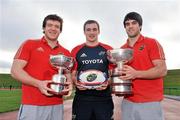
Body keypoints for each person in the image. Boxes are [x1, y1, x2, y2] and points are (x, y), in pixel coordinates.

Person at [11, 14, 72, 120]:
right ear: (44, 28)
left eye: (57, 26)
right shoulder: (29, 44)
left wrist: (69, 85)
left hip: (57, 105)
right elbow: (15, 71)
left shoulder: (66, 52)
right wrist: (38, 84)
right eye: (50, 25)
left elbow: (67, 74)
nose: (53, 28)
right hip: (32, 105)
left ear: (60, 30)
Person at [118, 12, 167, 120]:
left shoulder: (151, 43)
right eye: (127, 24)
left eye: (134, 23)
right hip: (128, 102)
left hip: (150, 102)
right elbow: (122, 74)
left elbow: (162, 70)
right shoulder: (122, 49)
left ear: (140, 26)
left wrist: (136, 74)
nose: (130, 26)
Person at [71, 20, 114, 120]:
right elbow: (72, 74)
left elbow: (113, 74)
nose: (91, 32)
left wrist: (108, 82)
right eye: (88, 30)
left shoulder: (108, 50)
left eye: (94, 29)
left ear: (99, 31)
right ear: (84, 32)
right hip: (82, 99)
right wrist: (75, 82)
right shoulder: (76, 50)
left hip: (103, 99)